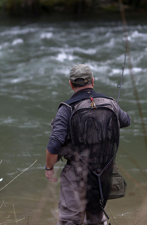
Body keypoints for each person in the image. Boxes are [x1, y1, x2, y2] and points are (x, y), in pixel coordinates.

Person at [45, 64, 130, 225]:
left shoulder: (67, 108)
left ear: (71, 84)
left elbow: (54, 143)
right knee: (96, 218)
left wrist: (49, 168)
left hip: (75, 173)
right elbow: (126, 121)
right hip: (104, 172)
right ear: (92, 81)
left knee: (69, 220)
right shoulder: (111, 103)